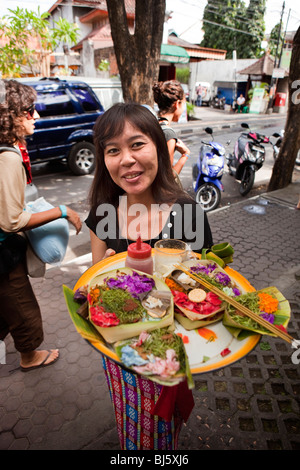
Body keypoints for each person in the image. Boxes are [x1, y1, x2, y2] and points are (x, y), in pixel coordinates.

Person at [85, 102, 213, 450]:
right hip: (122, 349)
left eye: (137, 144)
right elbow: (93, 291)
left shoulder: (188, 211)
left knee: (164, 429)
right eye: (113, 150)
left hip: (172, 347)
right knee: (134, 427)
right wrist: (104, 284)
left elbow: (205, 290)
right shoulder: (103, 214)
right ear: (104, 160)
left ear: (160, 145)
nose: (126, 159)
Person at [0, 79, 82, 372]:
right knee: (23, 309)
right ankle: (29, 356)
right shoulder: (7, 157)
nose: (36, 117)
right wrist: (62, 211)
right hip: (3, 256)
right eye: (29, 111)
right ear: (11, 116)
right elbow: (11, 221)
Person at [152, 80, 190, 178]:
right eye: (183, 104)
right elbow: (168, 176)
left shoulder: (153, 124)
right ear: (177, 104)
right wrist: (185, 155)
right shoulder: (168, 133)